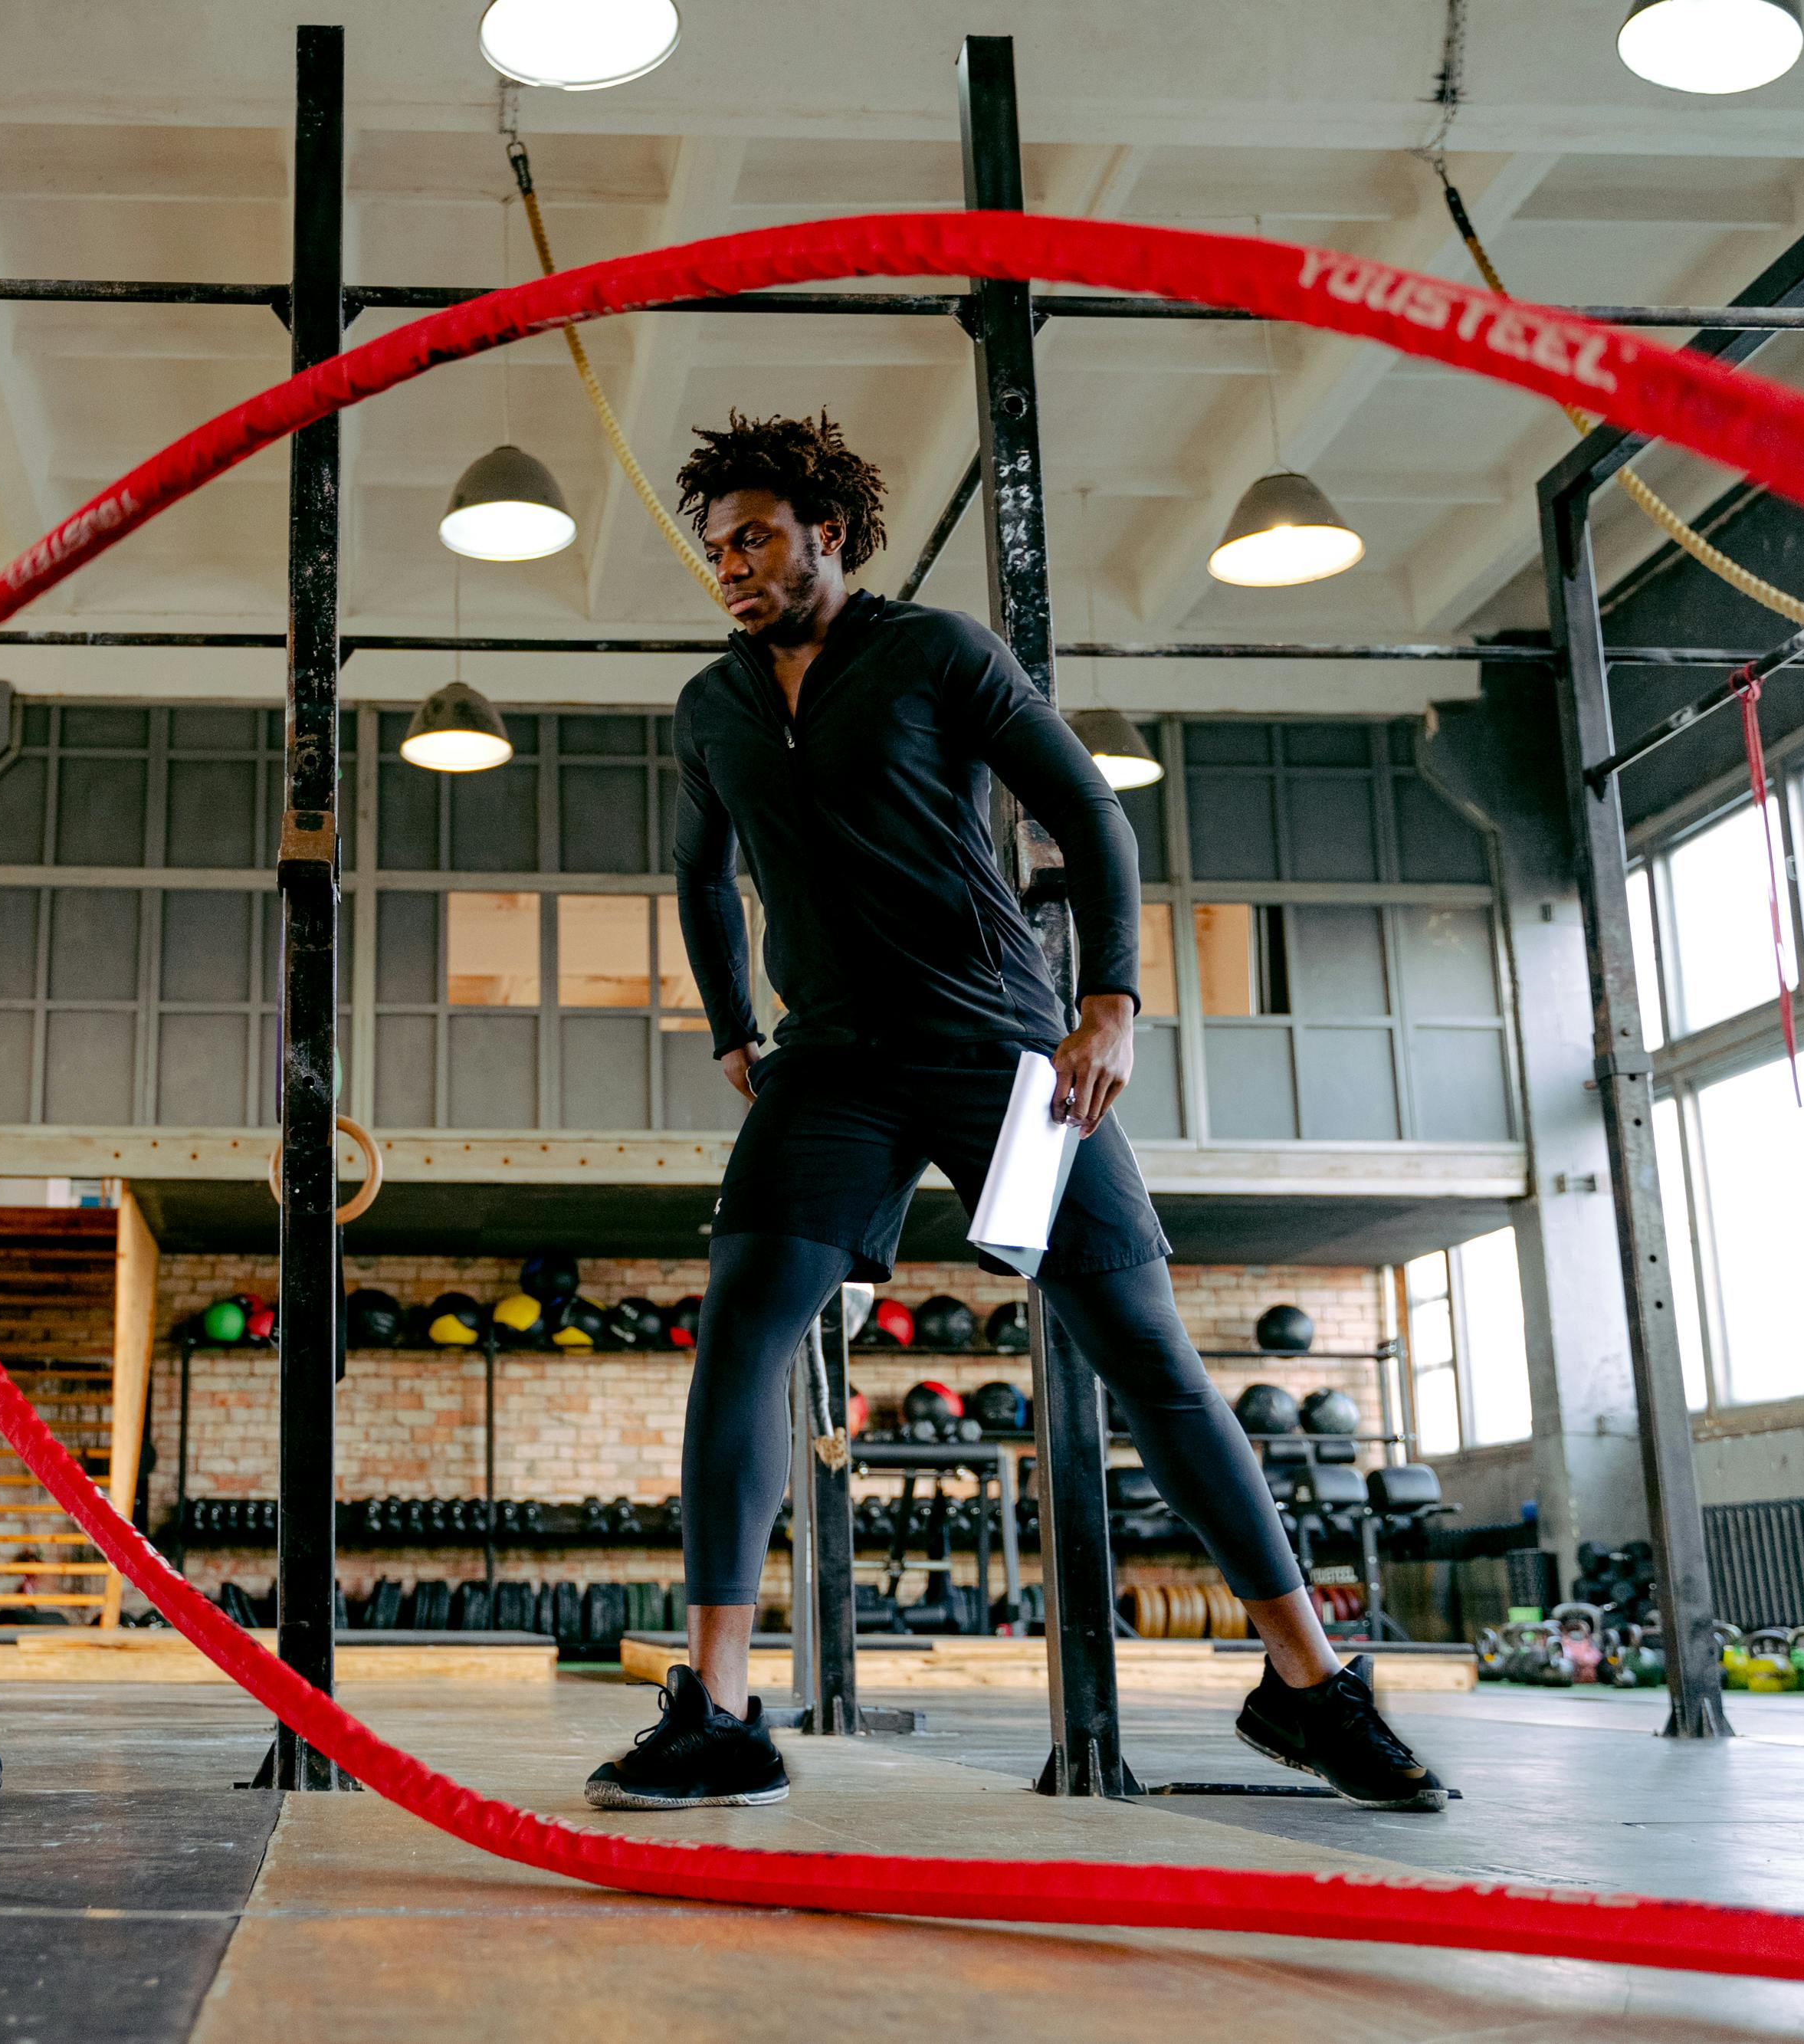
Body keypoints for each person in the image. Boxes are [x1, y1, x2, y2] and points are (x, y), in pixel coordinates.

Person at [585, 414, 1443, 1816]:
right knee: (740, 1330)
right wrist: (735, 1024)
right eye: (716, 545)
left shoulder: (936, 654)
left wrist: (1109, 996)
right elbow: (700, 872)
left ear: (829, 539)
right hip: (833, 1066)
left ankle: (1308, 1686)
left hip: (1002, 1052)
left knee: (1147, 1355)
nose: (731, 564)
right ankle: (720, 1710)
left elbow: (1089, 815)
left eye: (755, 537)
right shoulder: (714, 705)